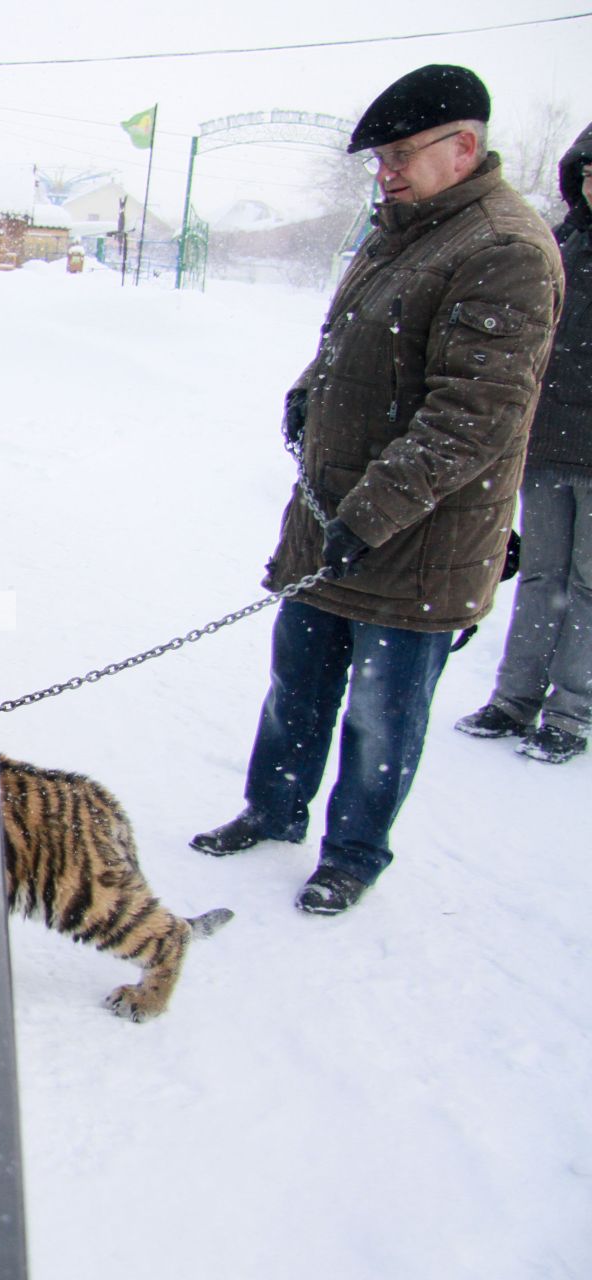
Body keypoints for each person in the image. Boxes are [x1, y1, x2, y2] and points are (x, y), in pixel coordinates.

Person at [190, 65, 566, 915]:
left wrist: (370, 514)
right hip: (334, 523)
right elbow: (347, 338)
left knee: (381, 715)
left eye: (400, 154)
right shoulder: (399, 228)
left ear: (463, 145)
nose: (385, 171)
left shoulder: (503, 248)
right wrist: (305, 393)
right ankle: (273, 808)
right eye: (379, 158)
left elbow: (473, 414)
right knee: (299, 684)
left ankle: (354, 853)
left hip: (419, 542)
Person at [453, 121, 592, 765]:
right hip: (547, 446)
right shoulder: (555, 246)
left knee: (588, 586)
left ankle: (572, 711)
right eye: (588, 173)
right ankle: (515, 698)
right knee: (540, 577)